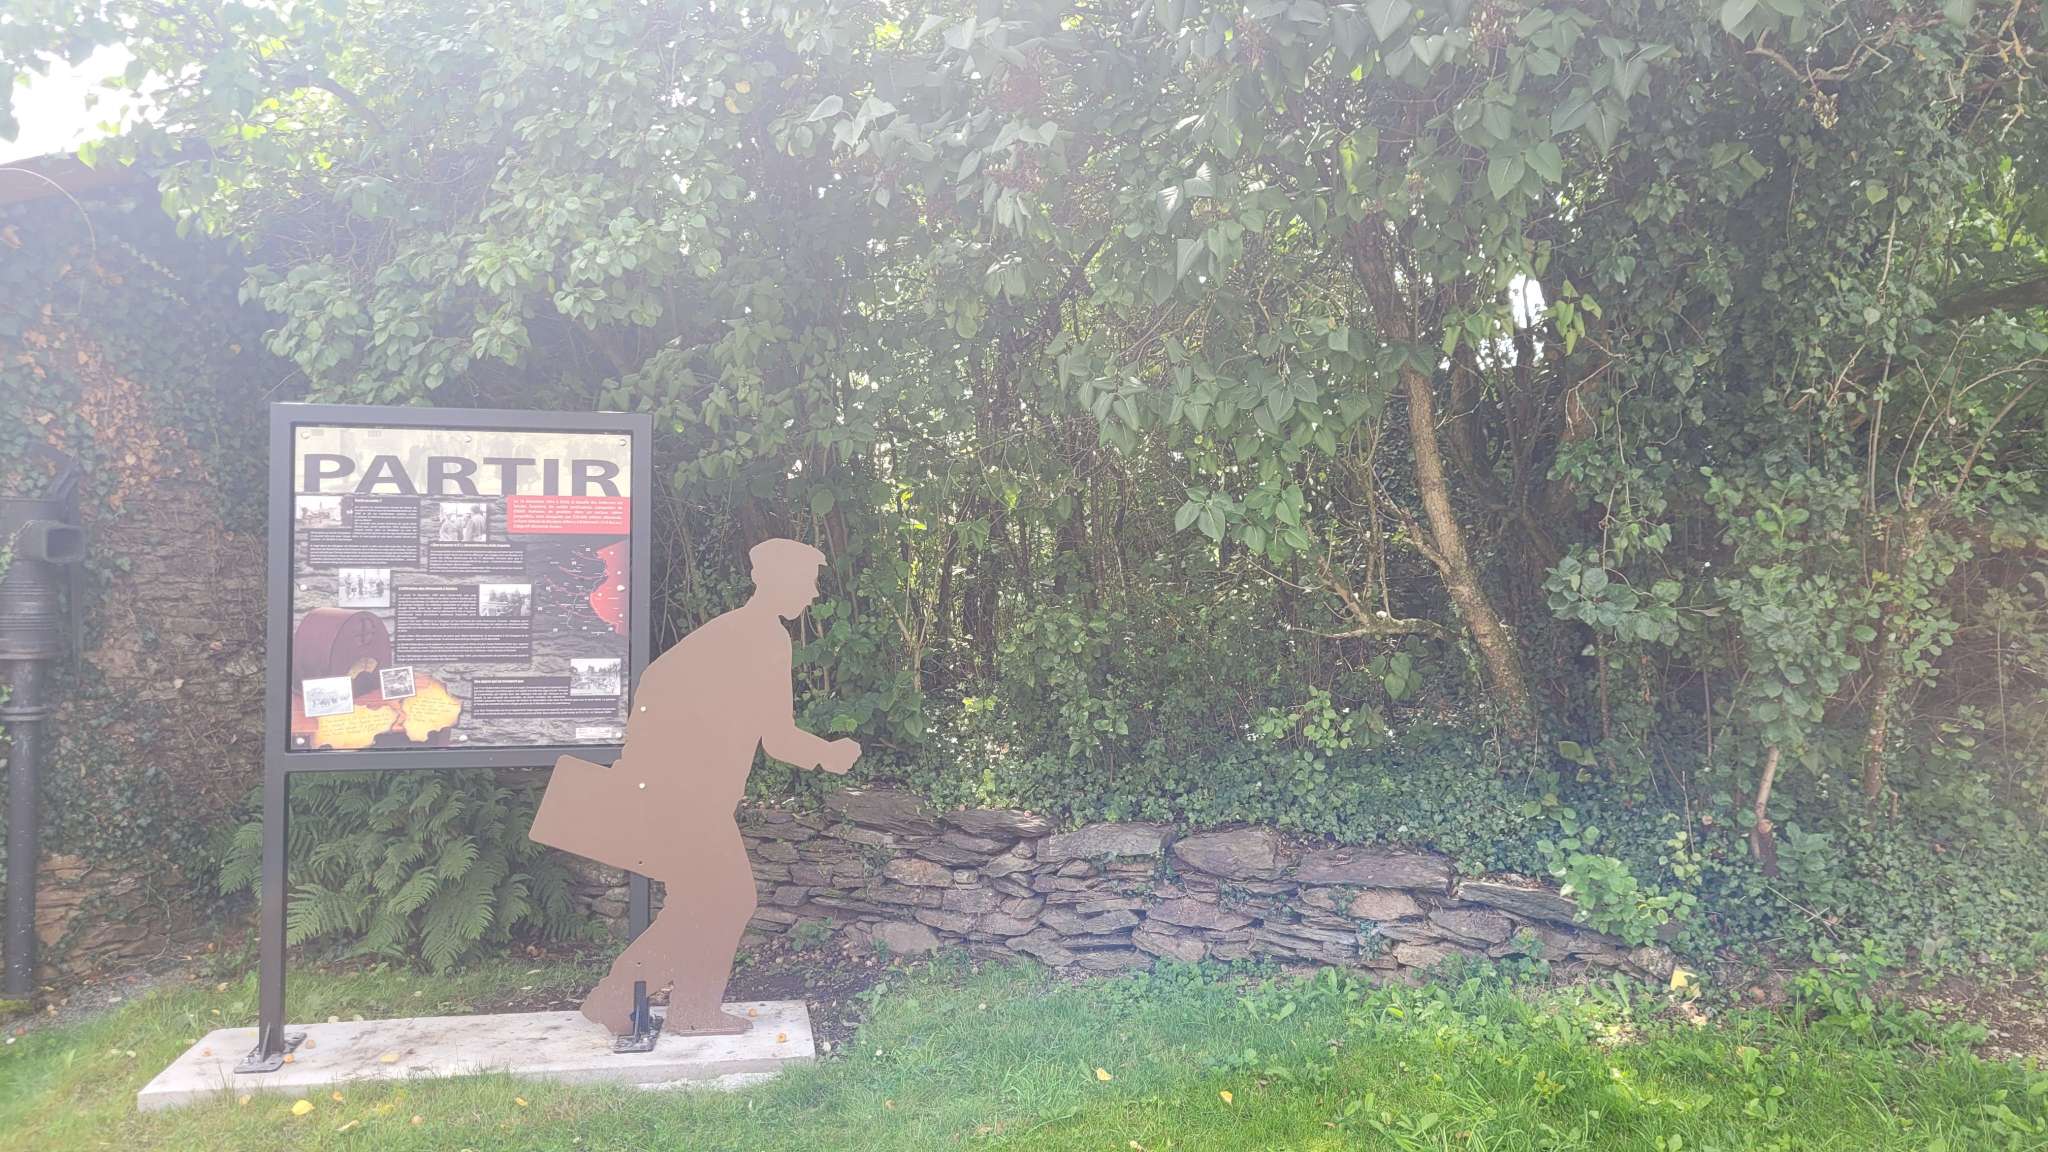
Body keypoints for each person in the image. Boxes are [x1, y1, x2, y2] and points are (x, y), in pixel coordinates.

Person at [531, 538, 859, 1036]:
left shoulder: (729, 632)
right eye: (809, 583)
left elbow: (657, 685)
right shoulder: (763, 637)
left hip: (679, 791)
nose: (814, 594)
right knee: (730, 899)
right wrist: (830, 754)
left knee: (698, 902)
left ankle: (624, 999)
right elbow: (778, 739)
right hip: (689, 798)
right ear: (780, 581)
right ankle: (686, 1010)